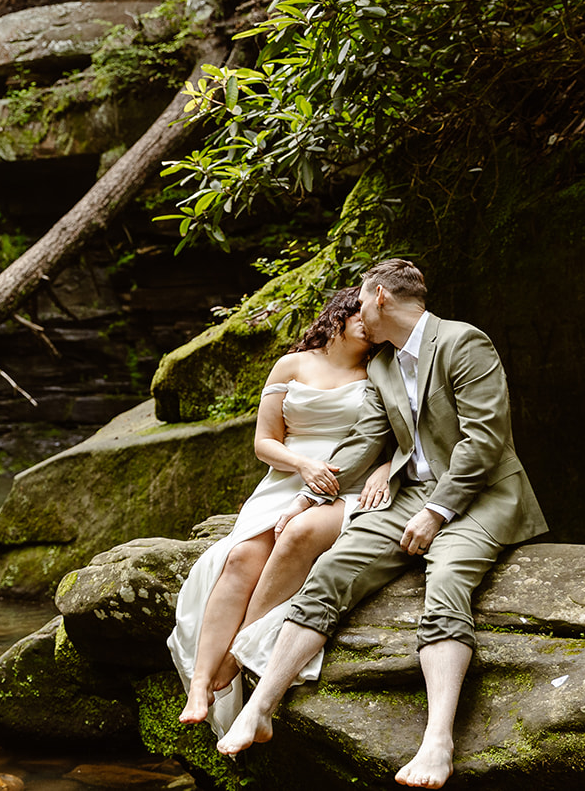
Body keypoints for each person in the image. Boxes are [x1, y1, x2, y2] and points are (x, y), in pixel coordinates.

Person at [217, 258, 548, 789]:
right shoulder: (383, 365)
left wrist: (436, 513)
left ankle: (437, 742)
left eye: (361, 302)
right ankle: (259, 708)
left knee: (446, 582)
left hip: (482, 495)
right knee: (332, 569)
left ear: (380, 297)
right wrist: (305, 500)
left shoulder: (465, 343)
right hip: (409, 493)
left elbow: (483, 441)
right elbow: (364, 442)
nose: (355, 315)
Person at [167, 286, 394, 743]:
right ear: (342, 314)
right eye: (363, 313)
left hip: (345, 485)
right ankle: (199, 684)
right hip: (287, 480)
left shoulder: (382, 369)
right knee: (238, 559)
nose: (370, 323)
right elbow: (264, 442)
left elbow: (401, 434)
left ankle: (234, 657)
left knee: (295, 538)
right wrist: (303, 465)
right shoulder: (292, 365)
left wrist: (386, 470)